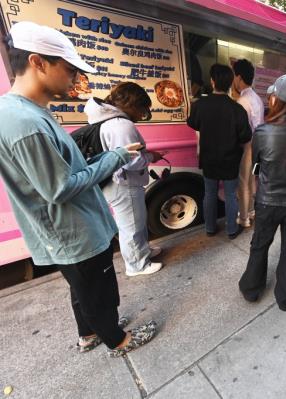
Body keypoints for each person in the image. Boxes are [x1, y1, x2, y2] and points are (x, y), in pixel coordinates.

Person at [0, 21, 156, 357]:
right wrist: (113, 157)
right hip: (75, 231)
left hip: (67, 231)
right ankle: (118, 339)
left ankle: (89, 334)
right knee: (98, 290)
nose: (74, 78)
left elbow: (62, 173)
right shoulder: (26, 122)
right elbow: (61, 187)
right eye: (69, 69)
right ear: (37, 62)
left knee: (82, 288)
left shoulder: (21, 113)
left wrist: (102, 159)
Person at [238, 74, 286, 311]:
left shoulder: (262, 132)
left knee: (259, 245)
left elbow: (258, 164)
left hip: (268, 201)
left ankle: (252, 290)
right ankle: (285, 298)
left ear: (276, 101)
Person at [84, 83, 164, 277]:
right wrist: (151, 157)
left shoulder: (108, 120)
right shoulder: (121, 125)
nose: (141, 116)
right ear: (133, 105)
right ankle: (137, 265)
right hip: (124, 182)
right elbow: (131, 162)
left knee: (136, 220)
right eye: (142, 111)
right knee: (131, 225)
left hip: (117, 181)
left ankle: (142, 250)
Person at [187, 63, 252, 239]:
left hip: (208, 157)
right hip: (230, 159)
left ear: (212, 81)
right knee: (231, 194)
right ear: (231, 83)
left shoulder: (200, 105)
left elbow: (192, 123)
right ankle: (231, 230)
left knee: (209, 193)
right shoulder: (237, 109)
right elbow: (246, 136)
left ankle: (210, 228)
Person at [232, 59, 264, 228]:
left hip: (247, 147)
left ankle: (244, 217)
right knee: (253, 180)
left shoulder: (242, 102)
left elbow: (240, 131)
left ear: (238, 77)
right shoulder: (257, 98)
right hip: (259, 147)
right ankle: (252, 211)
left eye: (234, 76)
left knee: (244, 182)